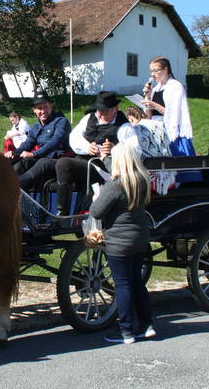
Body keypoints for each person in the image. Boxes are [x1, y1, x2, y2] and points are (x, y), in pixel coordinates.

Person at [89, 142, 155, 344]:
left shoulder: (114, 185)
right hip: (140, 238)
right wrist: (105, 156)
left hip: (119, 242)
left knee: (123, 285)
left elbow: (96, 212)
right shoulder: (141, 180)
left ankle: (126, 330)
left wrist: (97, 197)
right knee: (136, 282)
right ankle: (146, 325)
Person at [53, 91, 140, 224]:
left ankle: (62, 216)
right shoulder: (90, 118)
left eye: (104, 111)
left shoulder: (124, 127)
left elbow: (135, 152)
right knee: (44, 164)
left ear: (115, 109)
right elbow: (74, 137)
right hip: (82, 162)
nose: (99, 114)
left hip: (104, 170)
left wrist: (114, 150)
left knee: (63, 163)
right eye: (99, 110)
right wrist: (87, 147)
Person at [5, 90, 71, 191]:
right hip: (41, 159)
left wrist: (34, 154)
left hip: (59, 161)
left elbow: (55, 142)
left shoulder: (61, 122)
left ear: (51, 107)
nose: (43, 111)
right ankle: (4, 181)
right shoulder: (36, 127)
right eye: (39, 108)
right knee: (20, 161)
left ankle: (16, 186)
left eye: (45, 107)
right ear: (34, 110)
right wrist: (14, 153)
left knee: (43, 162)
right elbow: (28, 143)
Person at [142, 56, 196, 157]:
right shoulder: (155, 89)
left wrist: (155, 105)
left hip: (172, 134)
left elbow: (174, 114)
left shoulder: (175, 86)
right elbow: (148, 116)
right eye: (151, 71)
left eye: (155, 70)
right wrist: (147, 96)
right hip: (156, 134)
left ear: (165, 69)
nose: (153, 74)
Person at [124, 106, 175, 195]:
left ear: (130, 118)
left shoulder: (135, 130)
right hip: (169, 180)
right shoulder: (159, 125)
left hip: (148, 184)